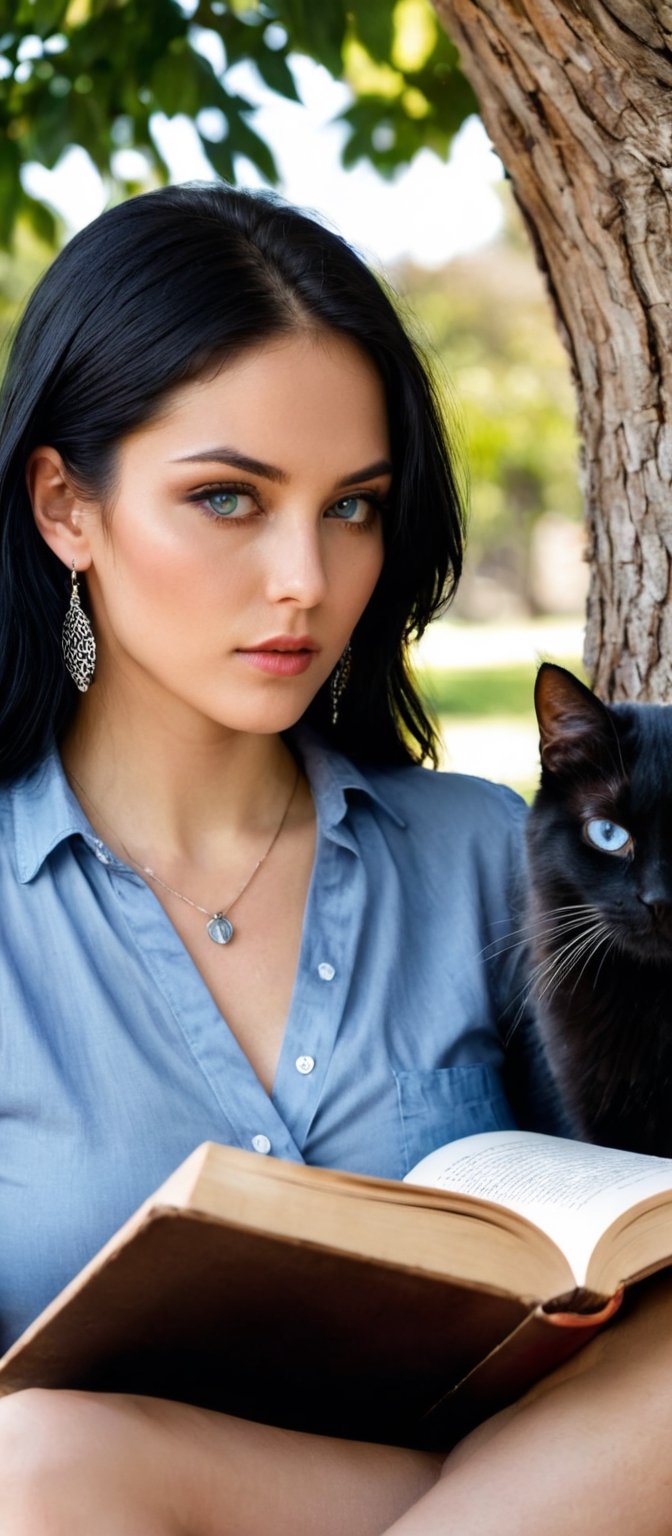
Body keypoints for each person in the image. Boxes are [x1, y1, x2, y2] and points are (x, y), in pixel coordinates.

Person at [0, 183, 670, 1536]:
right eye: (231, 498)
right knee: (40, 1465)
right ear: (66, 506)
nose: (306, 576)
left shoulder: (490, 852)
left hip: (552, 1475)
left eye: (353, 507)